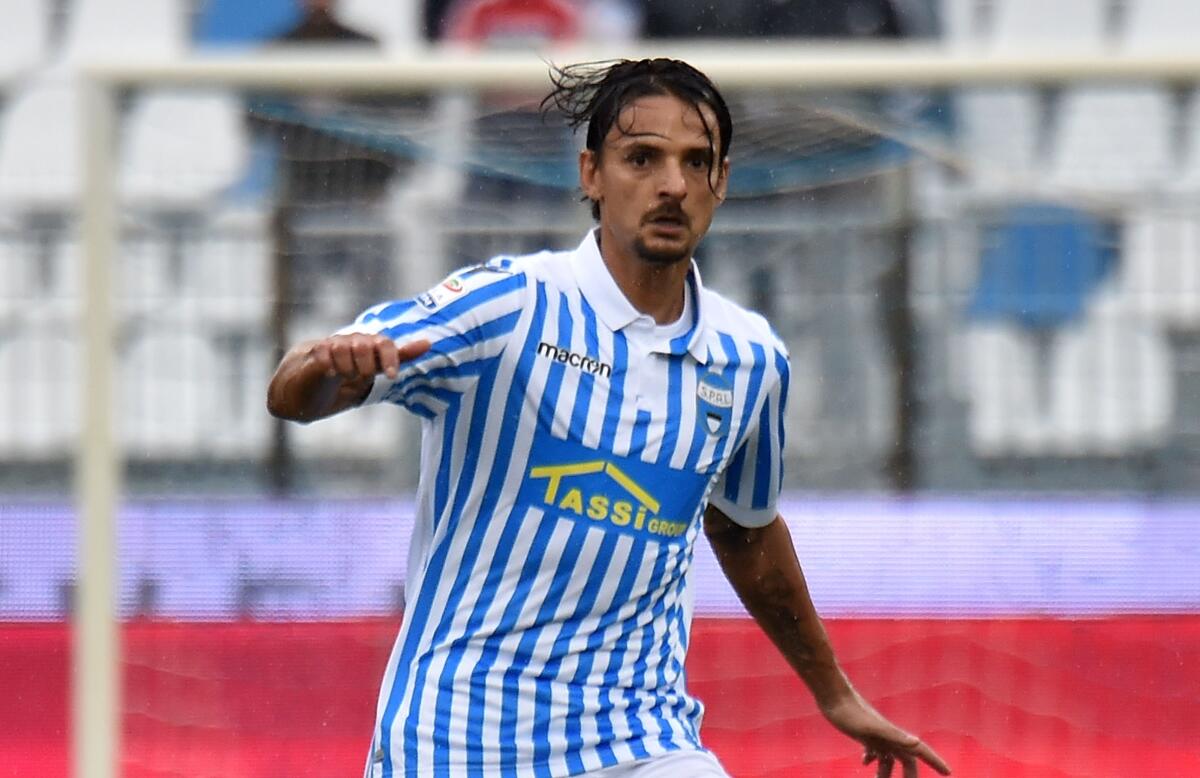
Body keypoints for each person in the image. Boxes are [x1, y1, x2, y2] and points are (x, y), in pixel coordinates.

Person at [267, 58, 951, 778]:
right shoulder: (510, 307)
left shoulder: (750, 361)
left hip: (639, 742)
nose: (672, 186)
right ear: (592, 173)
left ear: (722, 182)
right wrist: (326, 367)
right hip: (457, 740)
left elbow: (745, 530)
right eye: (642, 159)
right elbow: (293, 395)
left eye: (697, 163)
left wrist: (835, 694)